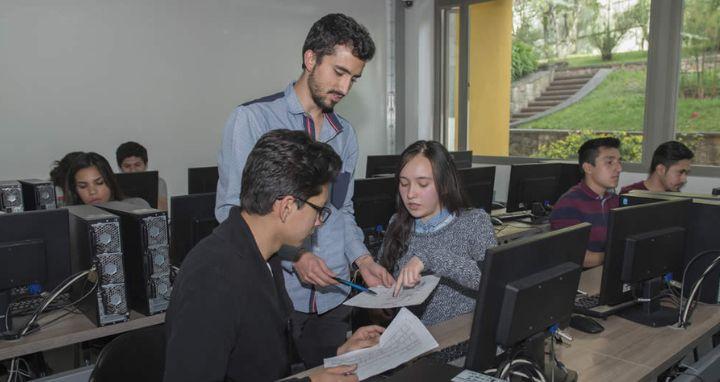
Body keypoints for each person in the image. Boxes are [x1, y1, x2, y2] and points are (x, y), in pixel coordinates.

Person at [214, 13, 393, 367]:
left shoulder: (346, 135)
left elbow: (342, 210)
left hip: (334, 296)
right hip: (276, 295)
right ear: (311, 59)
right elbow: (230, 213)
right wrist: (295, 257)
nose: (344, 88)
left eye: (353, 79)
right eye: (338, 73)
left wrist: (364, 260)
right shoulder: (252, 120)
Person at [164, 130, 384, 382]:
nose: (319, 222)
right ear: (286, 207)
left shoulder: (267, 256)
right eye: (319, 210)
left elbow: (267, 363)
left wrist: (337, 354)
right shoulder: (213, 275)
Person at [378, 141, 496, 328]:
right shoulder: (396, 223)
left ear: (445, 185)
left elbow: (489, 280)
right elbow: (386, 277)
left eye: (422, 184)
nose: (410, 194)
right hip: (408, 341)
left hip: (457, 342)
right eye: (404, 183)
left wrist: (430, 257)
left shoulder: (474, 222)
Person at [550, 137, 622, 268]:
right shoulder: (568, 205)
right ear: (588, 168)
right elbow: (579, 257)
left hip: (609, 271)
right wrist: (617, 254)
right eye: (610, 162)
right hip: (583, 279)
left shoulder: (616, 201)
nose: (619, 169)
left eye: (619, 162)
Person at [64, 152, 149, 208]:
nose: (92, 191)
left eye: (99, 183)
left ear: (110, 181)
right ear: (75, 191)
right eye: (83, 186)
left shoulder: (136, 206)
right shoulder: (69, 220)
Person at [620, 140, 694, 194]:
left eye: (686, 173)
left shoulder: (676, 197)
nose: (684, 179)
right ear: (661, 169)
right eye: (680, 172)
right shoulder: (630, 195)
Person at [115, 141, 168, 210]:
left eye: (137, 165)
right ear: (120, 167)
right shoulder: (112, 185)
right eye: (127, 166)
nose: (133, 170)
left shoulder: (158, 182)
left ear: (145, 165)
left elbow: (162, 212)